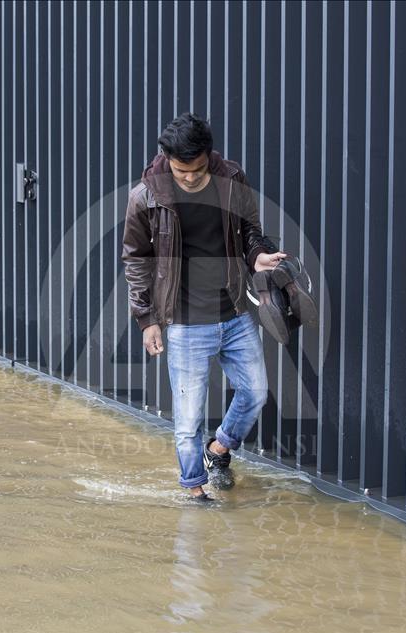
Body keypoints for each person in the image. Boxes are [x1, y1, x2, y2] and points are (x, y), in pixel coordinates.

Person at [121, 112, 286, 501]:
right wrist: (147, 320)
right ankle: (195, 491)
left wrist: (258, 256)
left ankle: (219, 451)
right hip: (184, 322)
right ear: (167, 159)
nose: (190, 178)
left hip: (234, 312)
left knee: (255, 392)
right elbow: (135, 259)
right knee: (188, 420)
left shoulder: (231, 178)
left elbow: (249, 230)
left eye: (196, 169)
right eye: (181, 171)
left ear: (208, 157)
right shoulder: (146, 194)